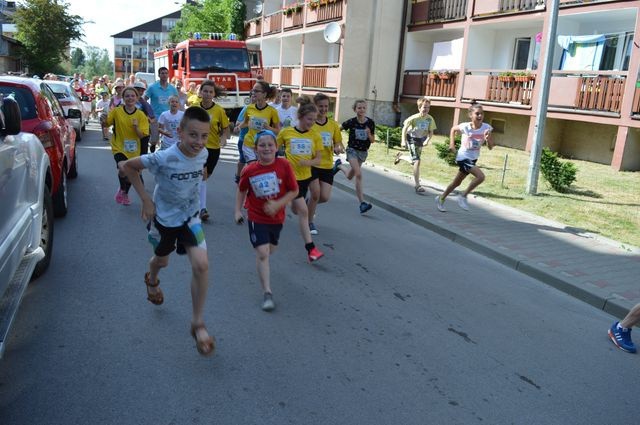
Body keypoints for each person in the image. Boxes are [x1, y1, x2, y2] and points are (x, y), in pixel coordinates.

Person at [118, 106, 215, 356]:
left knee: (202, 265)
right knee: (162, 260)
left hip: (190, 218)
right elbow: (127, 166)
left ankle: (198, 322)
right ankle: (151, 278)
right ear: (180, 132)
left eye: (204, 136)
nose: (199, 142)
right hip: (164, 219)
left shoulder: (203, 154)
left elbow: (200, 172)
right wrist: (145, 200)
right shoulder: (164, 157)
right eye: (193, 135)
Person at [234, 130, 299, 312]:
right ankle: (267, 293)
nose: (266, 148)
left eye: (270, 145)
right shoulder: (250, 170)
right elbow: (242, 190)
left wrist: (278, 204)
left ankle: (265, 261)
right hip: (256, 215)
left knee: (271, 250)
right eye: (262, 145)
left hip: (277, 218)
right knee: (262, 253)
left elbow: (293, 191)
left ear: (277, 148)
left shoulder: (284, 165)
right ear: (255, 150)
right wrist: (238, 211)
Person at [276, 97, 324, 263]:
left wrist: (308, 162)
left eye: (314, 119)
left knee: (297, 211)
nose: (312, 122)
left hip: (305, 177)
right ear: (301, 117)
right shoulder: (286, 132)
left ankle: (289, 202)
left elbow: (318, 159)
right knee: (303, 211)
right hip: (290, 178)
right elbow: (273, 148)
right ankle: (311, 249)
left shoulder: (315, 136)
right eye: (310, 119)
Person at [435, 103, 493, 212]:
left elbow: (490, 147)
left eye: (482, 114)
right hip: (463, 157)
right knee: (481, 177)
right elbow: (453, 129)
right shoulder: (465, 126)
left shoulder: (487, 128)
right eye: (477, 114)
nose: (480, 116)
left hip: (473, 158)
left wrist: (488, 139)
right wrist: (452, 144)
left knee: (457, 183)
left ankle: (441, 198)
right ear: (471, 115)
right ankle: (463, 196)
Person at [103, 86, 150, 206]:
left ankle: (123, 191)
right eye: (127, 96)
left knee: (130, 174)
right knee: (123, 168)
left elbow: (141, 136)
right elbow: (106, 124)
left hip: (134, 150)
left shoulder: (141, 115)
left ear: (137, 98)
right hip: (119, 147)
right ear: (123, 98)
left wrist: (136, 127)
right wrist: (103, 120)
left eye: (132, 96)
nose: (130, 98)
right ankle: (123, 190)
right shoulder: (117, 111)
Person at [307, 93, 344, 235]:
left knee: (324, 197)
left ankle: (308, 204)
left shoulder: (333, 125)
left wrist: (338, 147)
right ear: (315, 106)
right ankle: (310, 222)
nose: (323, 109)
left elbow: (338, 142)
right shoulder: (310, 123)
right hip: (313, 164)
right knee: (316, 194)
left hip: (327, 165)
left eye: (326, 106)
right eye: (320, 106)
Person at [195, 80, 230, 221]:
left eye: (211, 92)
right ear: (201, 92)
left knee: (204, 177)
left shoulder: (219, 110)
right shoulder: (195, 108)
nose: (208, 94)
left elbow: (226, 128)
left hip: (213, 148)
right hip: (197, 147)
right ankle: (202, 208)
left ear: (214, 94)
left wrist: (223, 139)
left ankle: (193, 197)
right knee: (202, 175)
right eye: (205, 91)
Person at [334, 99, 376, 214]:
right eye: (359, 108)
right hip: (352, 150)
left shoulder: (370, 123)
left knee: (349, 176)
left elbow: (373, 140)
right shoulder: (351, 122)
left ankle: (339, 166)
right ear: (355, 109)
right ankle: (362, 203)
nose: (361, 110)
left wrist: (368, 134)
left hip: (363, 152)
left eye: (363, 108)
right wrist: (338, 143)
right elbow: (337, 130)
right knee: (358, 174)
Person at [394, 96, 437, 194]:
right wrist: (403, 141)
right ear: (419, 108)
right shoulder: (414, 118)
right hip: (411, 138)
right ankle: (417, 185)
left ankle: (400, 156)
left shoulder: (430, 119)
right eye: (424, 107)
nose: (426, 109)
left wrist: (427, 140)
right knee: (417, 161)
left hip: (420, 140)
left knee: (414, 162)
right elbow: (405, 128)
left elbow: (431, 132)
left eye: (428, 107)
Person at [238, 80, 280, 163]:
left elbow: (278, 131)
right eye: (253, 90)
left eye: (256, 91)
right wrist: (239, 127)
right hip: (249, 143)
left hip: (263, 146)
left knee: (259, 171)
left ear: (264, 94)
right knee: (252, 166)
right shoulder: (249, 108)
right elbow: (246, 122)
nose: (253, 93)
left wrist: (268, 128)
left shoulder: (272, 111)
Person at [145, 67, 179, 148]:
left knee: (167, 136)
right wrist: (147, 113)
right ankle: (153, 144)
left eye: (166, 73)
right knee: (154, 139)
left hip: (168, 117)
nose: (164, 75)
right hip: (155, 116)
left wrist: (177, 113)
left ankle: (163, 151)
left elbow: (177, 101)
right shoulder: (152, 87)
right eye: (162, 73)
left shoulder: (172, 88)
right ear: (159, 75)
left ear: (168, 75)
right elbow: (144, 100)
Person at [133, 81, 156, 154]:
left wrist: (148, 119)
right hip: (131, 130)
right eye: (138, 89)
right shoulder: (128, 100)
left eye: (141, 90)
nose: (140, 92)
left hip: (143, 130)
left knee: (143, 153)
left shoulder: (145, 103)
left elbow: (152, 118)